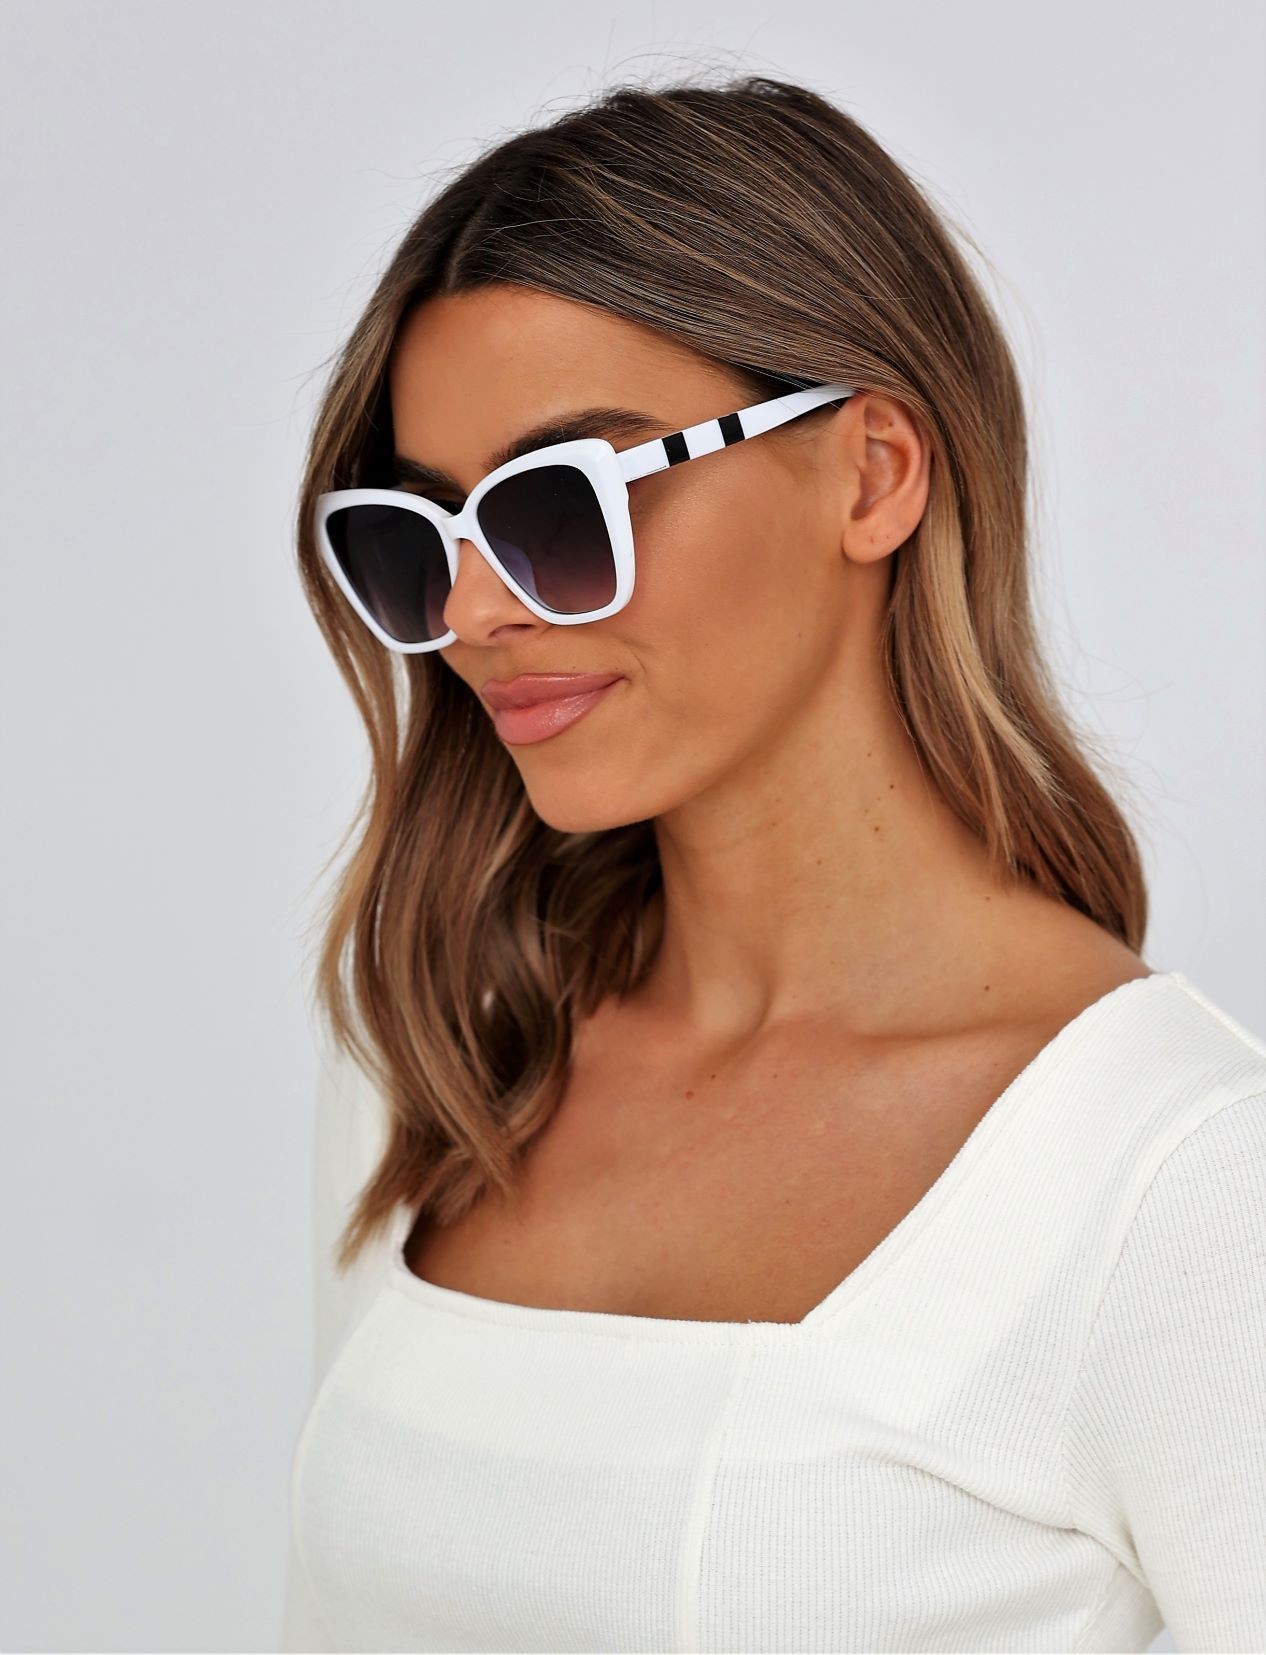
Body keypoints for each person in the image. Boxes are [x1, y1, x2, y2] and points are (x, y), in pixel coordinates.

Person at [280, 73, 1266, 1653]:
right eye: (423, 536)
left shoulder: (1184, 1182)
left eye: (562, 505)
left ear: (871, 473)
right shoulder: (447, 1059)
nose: (471, 615)